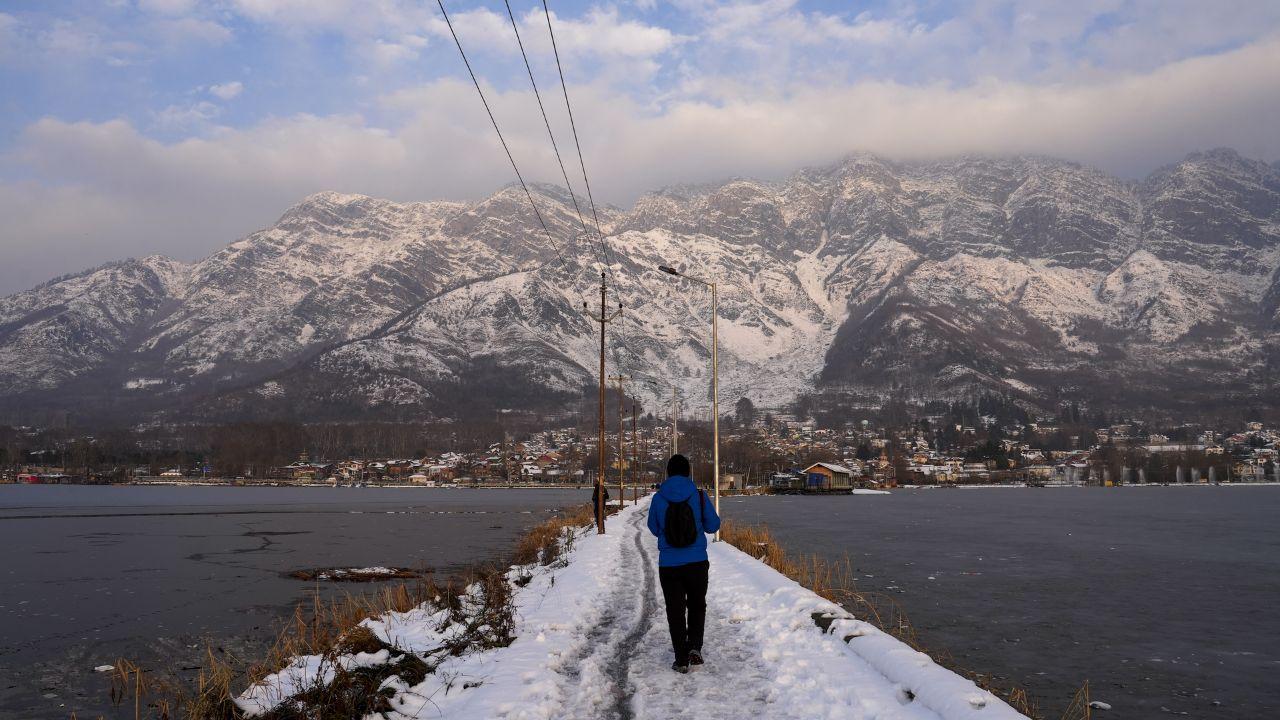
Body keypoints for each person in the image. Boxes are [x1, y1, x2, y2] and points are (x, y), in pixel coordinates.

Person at [647, 454, 721, 673]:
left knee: (675, 609)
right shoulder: (698, 496)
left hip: (669, 565)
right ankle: (695, 648)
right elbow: (713, 525)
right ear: (688, 472)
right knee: (697, 605)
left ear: (668, 473)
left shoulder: (659, 498)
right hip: (697, 562)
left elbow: (653, 527)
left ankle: (680, 658)